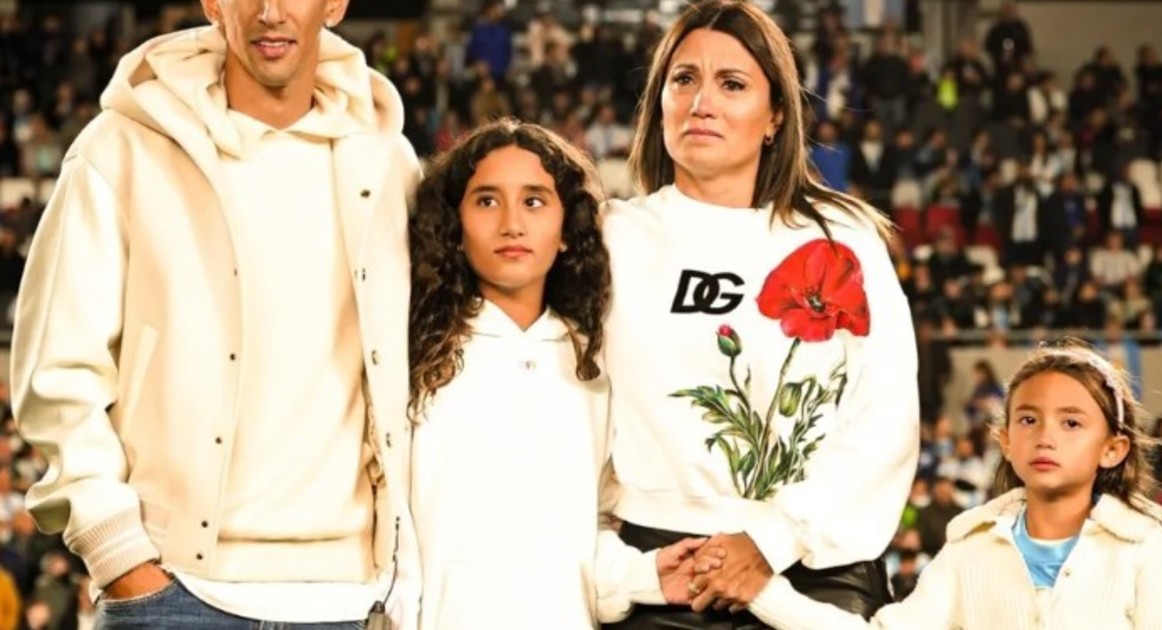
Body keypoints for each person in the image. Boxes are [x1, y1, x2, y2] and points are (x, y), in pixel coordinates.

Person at [10, 0, 421, 627]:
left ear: (336, 4)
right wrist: (118, 554)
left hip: (352, 596)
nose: (270, 12)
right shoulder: (120, 148)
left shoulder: (389, 164)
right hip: (173, 591)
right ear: (212, 4)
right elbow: (58, 366)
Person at [601, 1, 919, 627]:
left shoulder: (840, 237)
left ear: (775, 115)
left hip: (813, 572)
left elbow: (885, 416)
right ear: (659, 103)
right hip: (661, 570)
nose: (702, 102)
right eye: (683, 79)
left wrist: (773, 539)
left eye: (732, 84)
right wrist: (614, 563)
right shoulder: (612, 236)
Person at [406, 118, 703, 629]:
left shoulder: (596, 363)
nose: (512, 224)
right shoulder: (414, 356)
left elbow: (592, 526)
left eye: (534, 201)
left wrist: (646, 575)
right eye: (487, 201)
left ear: (567, 230)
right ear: (454, 228)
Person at [692, 341, 1162, 628]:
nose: (1046, 436)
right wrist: (762, 590)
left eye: (1071, 423)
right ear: (1005, 440)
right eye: (1028, 420)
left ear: (1113, 448)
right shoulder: (969, 549)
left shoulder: (1141, 547)